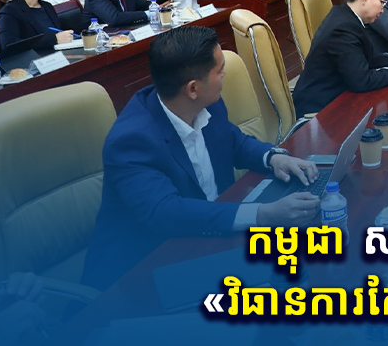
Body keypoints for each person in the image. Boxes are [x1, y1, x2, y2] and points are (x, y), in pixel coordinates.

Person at [82, 26, 321, 291]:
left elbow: (233, 141)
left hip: (209, 242)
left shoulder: (206, 103)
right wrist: (264, 214)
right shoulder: (131, 140)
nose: (224, 75)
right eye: (219, 70)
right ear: (193, 88)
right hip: (141, 275)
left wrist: (273, 158)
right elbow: (166, 213)